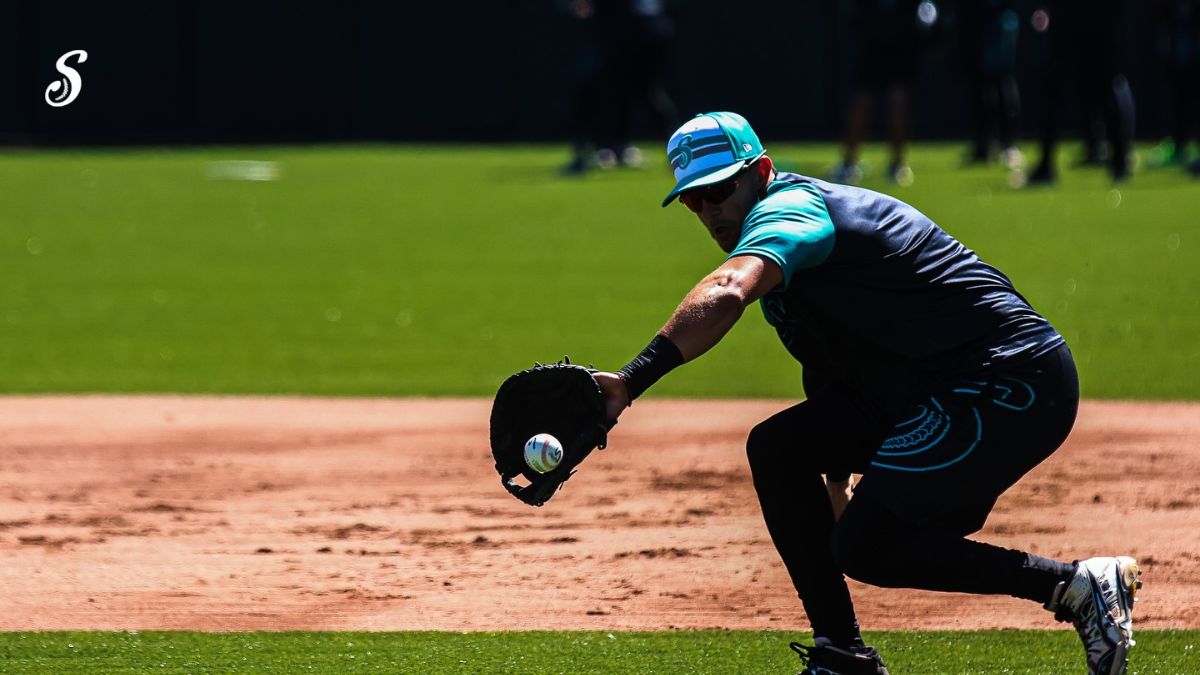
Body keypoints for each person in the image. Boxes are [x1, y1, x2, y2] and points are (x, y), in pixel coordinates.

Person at [594, 112, 1141, 675]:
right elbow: (834, 369)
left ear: (762, 172)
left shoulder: (792, 212)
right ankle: (841, 655)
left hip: (1010, 376)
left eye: (718, 190)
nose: (708, 210)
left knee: (866, 546)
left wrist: (629, 382)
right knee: (779, 448)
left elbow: (730, 288)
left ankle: (1076, 587)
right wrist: (836, 477)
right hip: (928, 386)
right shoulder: (781, 260)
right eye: (692, 200)